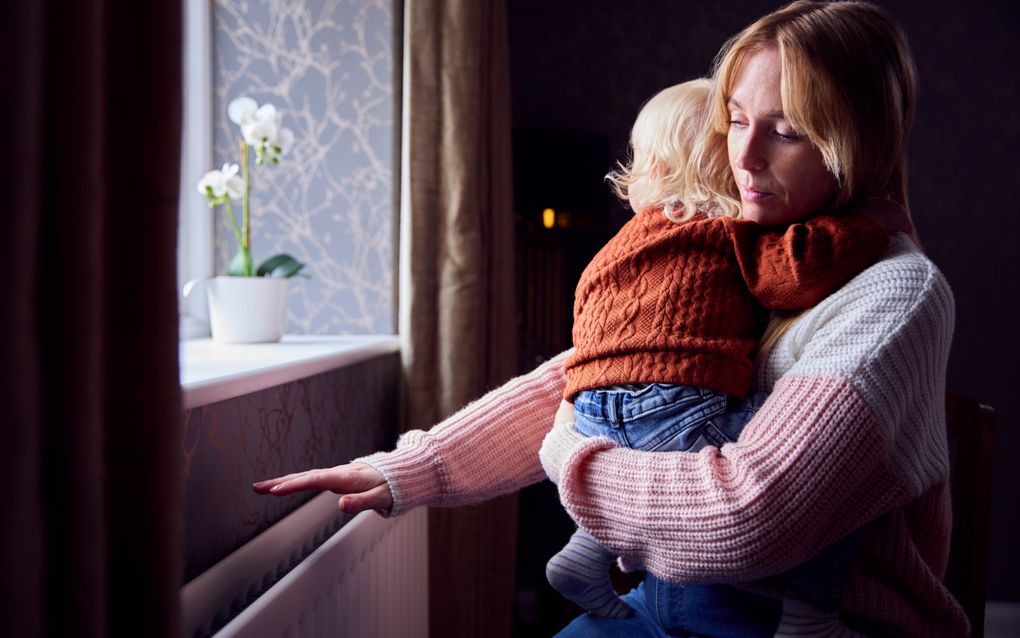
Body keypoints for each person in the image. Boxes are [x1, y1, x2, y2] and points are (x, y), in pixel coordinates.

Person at [254, 2, 968, 636]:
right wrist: (407, 470)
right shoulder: (745, 247)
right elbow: (590, 379)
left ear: (856, 146)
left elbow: (747, 517)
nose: (742, 157)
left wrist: (571, 457)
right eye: (737, 121)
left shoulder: (894, 293)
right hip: (670, 606)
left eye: (786, 133)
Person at [544, 77, 889, 624]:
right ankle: (811, 613)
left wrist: (572, 418)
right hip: (673, 403)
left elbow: (590, 328)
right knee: (826, 485)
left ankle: (585, 551)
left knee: (634, 450)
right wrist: (868, 227)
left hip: (589, 410)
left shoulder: (617, 248)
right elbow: (794, 275)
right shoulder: (725, 230)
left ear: (652, 171)